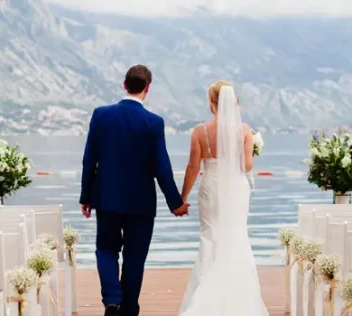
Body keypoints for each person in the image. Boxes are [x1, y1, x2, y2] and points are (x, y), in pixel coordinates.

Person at [79, 64, 191, 316]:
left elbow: (89, 160)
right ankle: (128, 309)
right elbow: (162, 167)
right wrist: (176, 203)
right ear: (147, 89)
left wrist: (86, 197)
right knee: (134, 257)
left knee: (106, 249)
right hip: (141, 203)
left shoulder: (101, 115)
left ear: (124, 84)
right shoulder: (153, 122)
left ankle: (111, 300)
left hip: (106, 199)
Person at [177, 81, 269, 316]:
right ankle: (239, 298)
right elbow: (246, 165)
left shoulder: (200, 131)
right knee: (237, 235)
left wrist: (182, 196)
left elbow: (192, 167)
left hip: (211, 187)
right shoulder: (245, 131)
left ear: (212, 102)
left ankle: (204, 296)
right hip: (237, 188)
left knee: (210, 236)